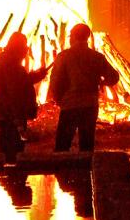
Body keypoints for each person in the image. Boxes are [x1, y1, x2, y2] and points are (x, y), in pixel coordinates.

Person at [49, 23, 119, 153]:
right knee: (87, 146)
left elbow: (55, 82)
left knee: (62, 146)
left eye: (70, 35)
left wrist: (59, 100)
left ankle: (61, 172)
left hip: (70, 106)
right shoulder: (97, 57)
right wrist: (102, 83)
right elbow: (114, 77)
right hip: (90, 106)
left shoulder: (64, 56)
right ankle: (86, 172)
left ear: (74, 36)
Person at [0, 31, 48, 164]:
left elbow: (20, 81)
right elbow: (14, 93)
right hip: (11, 117)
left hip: (7, 114)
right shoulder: (10, 64)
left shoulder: (8, 62)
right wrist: (18, 121)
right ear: (17, 47)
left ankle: (10, 179)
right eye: (24, 46)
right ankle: (12, 180)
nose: (26, 49)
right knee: (13, 152)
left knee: (9, 150)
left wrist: (37, 75)